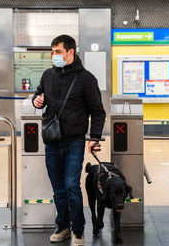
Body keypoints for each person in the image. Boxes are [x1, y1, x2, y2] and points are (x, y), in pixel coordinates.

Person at [33, 35, 106, 246]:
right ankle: (63, 226)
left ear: (70, 52)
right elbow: (38, 96)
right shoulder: (48, 75)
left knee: (72, 185)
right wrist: (36, 101)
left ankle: (78, 229)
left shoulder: (86, 79)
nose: (53, 56)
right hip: (51, 140)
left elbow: (97, 112)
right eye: (52, 51)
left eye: (57, 52)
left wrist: (94, 137)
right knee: (58, 188)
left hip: (74, 141)